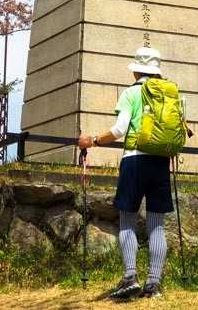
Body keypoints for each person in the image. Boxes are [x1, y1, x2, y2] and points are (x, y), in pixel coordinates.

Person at [78, 46, 186, 300]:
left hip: (135, 161)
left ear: (136, 70)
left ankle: (130, 278)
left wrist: (93, 140)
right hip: (160, 162)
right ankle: (153, 284)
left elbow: (119, 130)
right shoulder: (170, 94)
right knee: (156, 225)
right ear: (156, 70)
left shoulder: (130, 93)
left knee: (127, 220)